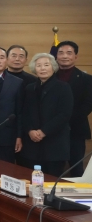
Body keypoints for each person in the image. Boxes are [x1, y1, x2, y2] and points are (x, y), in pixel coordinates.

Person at [19, 53, 73, 177]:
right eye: (39, 65)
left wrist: (43, 131)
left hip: (55, 144)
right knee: (31, 180)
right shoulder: (29, 88)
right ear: (34, 68)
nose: (42, 68)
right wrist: (30, 130)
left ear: (53, 67)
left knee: (51, 180)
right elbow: (24, 113)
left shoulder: (63, 87)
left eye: (46, 65)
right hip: (32, 145)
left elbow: (64, 114)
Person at [55, 41, 92, 177]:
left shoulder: (87, 79)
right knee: (52, 170)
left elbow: (87, 105)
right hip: (52, 133)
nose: (64, 56)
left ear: (76, 56)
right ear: (56, 56)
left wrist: (64, 121)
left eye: (69, 53)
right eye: (61, 53)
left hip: (75, 131)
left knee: (76, 170)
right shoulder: (49, 76)